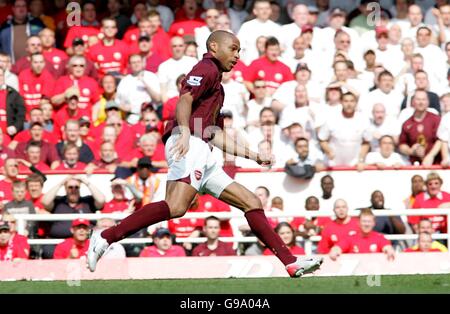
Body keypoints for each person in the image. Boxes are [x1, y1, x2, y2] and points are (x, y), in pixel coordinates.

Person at [88, 30, 322, 277]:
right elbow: (184, 99)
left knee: (251, 202)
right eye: (233, 48)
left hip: (204, 148)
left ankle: (290, 262)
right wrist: (185, 132)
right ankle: (105, 237)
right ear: (213, 47)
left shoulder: (218, 87)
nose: (237, 55)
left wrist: (252, 155)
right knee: (176, 206)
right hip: (189, 143)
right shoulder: (206, 67)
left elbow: (214, 134)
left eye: (240, 50)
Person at [329, 208, 395, 261]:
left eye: (369, 221)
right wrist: (335, 251)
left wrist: (389, 250)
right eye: (364, 221)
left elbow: (387, 247)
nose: (366, 224)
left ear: (374, 223)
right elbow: (338, 247)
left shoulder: (380, 238)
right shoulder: (350, 238)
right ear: (359, 222)